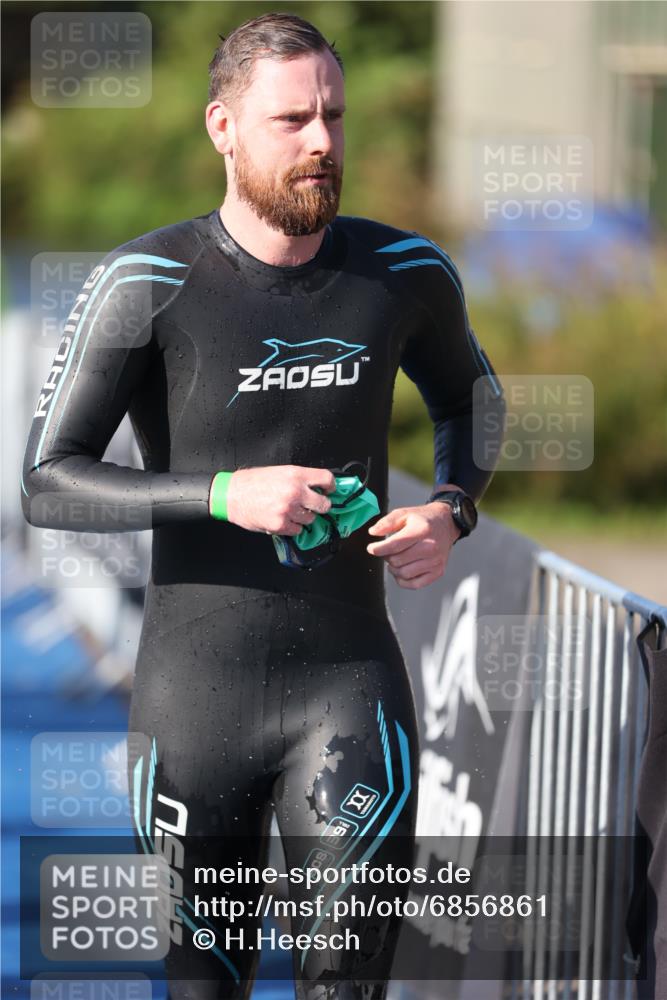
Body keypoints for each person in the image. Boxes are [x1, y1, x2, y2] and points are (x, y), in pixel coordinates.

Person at [21, 12, 504, 1000]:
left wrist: (453, 507)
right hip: (194, 707)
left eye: (333, 114)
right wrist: (221, 494)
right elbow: (47, 479)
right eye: (292, 119)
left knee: (348, 989)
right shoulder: (147, 284)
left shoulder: (401, 273)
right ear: (222, 127)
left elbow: (472, 398)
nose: (323, 140)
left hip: (350, 693)